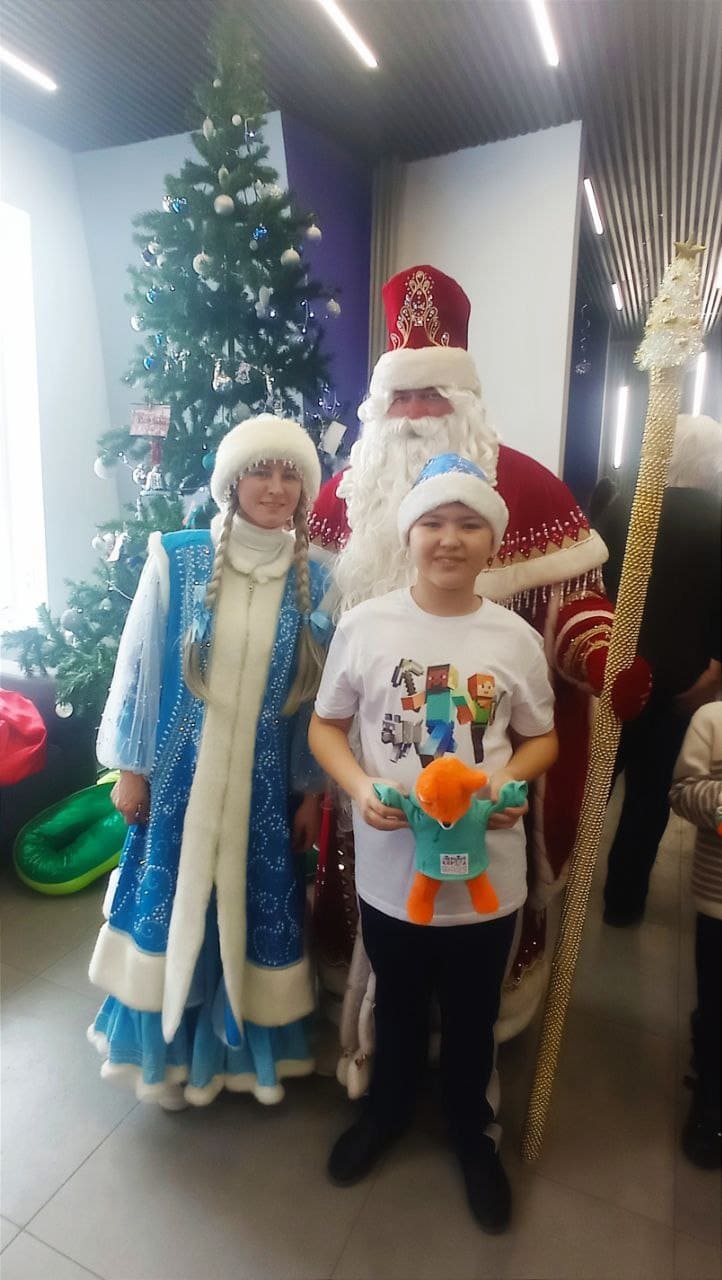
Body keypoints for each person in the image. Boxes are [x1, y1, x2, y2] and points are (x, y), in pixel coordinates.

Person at [309, 264, 648, 1082]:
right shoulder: (340, 498)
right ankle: (381, 1067)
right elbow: (312, 669)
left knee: (472, 968)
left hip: (481, 812)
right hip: (373, 795)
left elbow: (571, 610)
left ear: (465, 398)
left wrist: (602, 658)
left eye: (433, 396)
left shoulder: (529, 490)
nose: (416, 414)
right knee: (381, 932)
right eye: (402, 397)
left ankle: (469, 1095)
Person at [309, 453, 558, 1232]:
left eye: (468, 524)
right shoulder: (366, 626)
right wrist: (360, 788)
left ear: (493, 541)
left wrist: (506, 784)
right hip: (393, 873)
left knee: (474, 1014)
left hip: (487, 879)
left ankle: (470, 1134)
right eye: (434, 523)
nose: (450, 539)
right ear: (408, 534)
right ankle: (385, 1113)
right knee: (400, 1001)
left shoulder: (514, 638)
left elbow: (541, 738)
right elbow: (326, 728)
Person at [88, 414, 329, 1109]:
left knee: (248, 909)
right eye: (261, 472)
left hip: (262, 791)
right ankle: (162, 1061)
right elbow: (139, 669)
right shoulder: (177, 557)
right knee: (170, 908)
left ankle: (235, 1060)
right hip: (177, 783)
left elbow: (314, 701)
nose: (275, 488)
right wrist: (131, 767)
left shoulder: (317, 579)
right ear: (231, 482)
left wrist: (310, 792)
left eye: (289, 476)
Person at [594, 414, 722, 926]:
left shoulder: (624, 508)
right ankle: (623, 904)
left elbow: (593, 587)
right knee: (650, 799)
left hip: (616, 676)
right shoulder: (719, 517)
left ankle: (560, 883)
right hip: (685, 683)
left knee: (592, 787)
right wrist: (714, 673)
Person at [669, 701, 722, 1170]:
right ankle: (710, 1096)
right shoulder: (713, 720)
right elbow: (684, 792)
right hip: (720, 900)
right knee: (717, 1003)